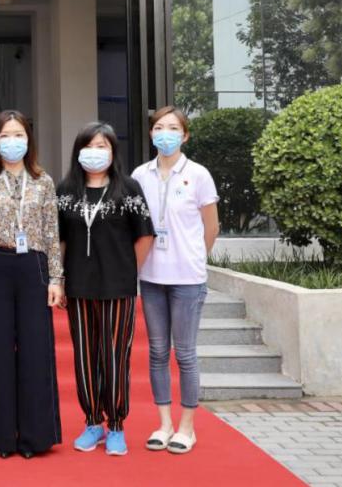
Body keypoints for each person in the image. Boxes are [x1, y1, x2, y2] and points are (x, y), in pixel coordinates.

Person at [0, 109, 63, 459]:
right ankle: (1, 436)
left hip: (34, 266)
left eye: (19, 135)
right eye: (5, 136)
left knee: (36, 350)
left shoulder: (43, 181)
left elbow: (52, 232)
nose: (12, 142)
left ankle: (36, 436)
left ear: (29, 140)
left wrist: (56, 277)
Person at [57, 122, 155, 456]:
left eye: (102, 146)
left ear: (113, 152)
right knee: (85, 357)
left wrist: (128, 271)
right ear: (78, 151)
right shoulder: (66, 190)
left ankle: (115, 425)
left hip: (118, 287)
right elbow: (60, 240)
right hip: (78, 287)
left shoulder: (128, 189)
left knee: (115, 357)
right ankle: (92, 422)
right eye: (89, 146)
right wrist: (59, 279)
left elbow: (145, 236)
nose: (95, 152)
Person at [131, 106, 220, 455]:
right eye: (158, 128)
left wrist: (195, 258)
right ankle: (164, 423)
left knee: (184, 353)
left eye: (172, 128)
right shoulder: (140, 175)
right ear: (151, 134)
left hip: (187, 278)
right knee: (156, 352)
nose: (164, 134)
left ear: (185, 135)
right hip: (152, 276)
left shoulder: (198, 175)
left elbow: (211, 227)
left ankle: (187, 427)